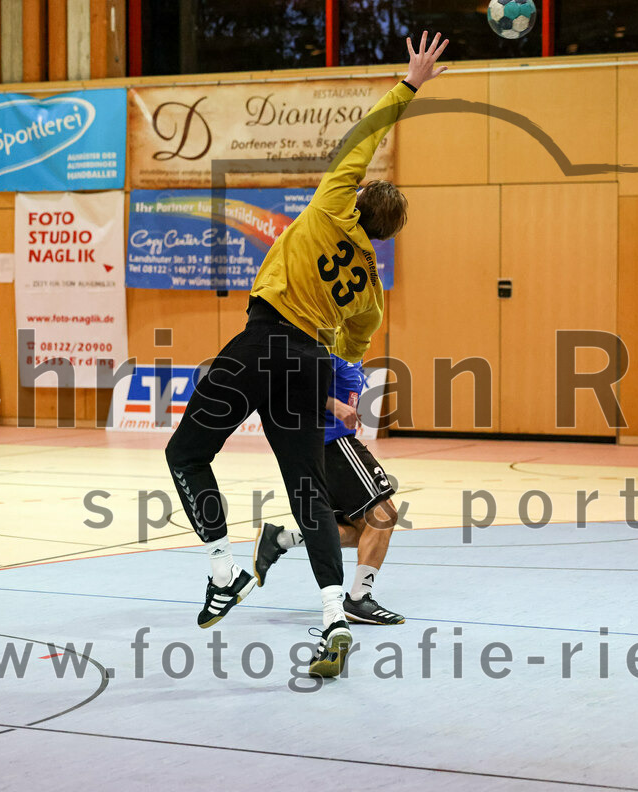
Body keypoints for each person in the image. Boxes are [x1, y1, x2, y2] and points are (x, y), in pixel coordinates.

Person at [164, 32, 449, 678]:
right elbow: (348, 351)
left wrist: (411, 81)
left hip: (263, 339)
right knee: (309, 495)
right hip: (310, 363)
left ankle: (224, 570)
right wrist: (334, 397)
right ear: (386, 234)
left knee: (185, 452)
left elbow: (370, 130)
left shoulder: (328, 204)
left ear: (357, 201)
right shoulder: (372, 291)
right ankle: (333, 619)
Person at [252, 354, 404, 626]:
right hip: (332, 443)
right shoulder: (328, 346)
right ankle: (358, 599)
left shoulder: (351, 348)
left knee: (364, 532)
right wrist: (334, 405)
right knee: (383, 516)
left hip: (326, 446)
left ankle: (281, 540)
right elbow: (291, 387)